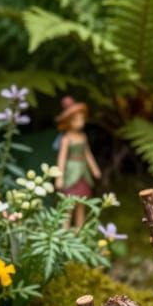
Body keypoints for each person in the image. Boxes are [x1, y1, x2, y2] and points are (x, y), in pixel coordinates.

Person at [55, 97, 100, 227]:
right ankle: (65, 229)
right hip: (71, 172)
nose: (80, 122)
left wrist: (94, 169)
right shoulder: (66, 139)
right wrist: (59, 177)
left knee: (81, 203)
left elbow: (88, 154)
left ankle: (79, 230)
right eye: (76, 119)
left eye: (82, 119)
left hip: (83, 172)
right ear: (68, 121)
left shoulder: (83, 137)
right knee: (69, 203)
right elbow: (62, 158)